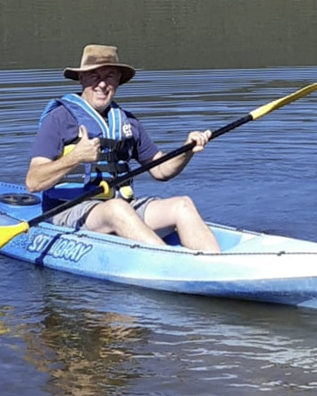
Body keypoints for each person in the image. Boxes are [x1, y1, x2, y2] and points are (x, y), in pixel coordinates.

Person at [24, 44, 221, 253]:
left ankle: (215, 263)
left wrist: (187, 150)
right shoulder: (59, 119)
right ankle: (169, 261)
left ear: (118, 80)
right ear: (81, 78)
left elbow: (160, 170)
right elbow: (33, 182)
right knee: (116, 209)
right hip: (68, 211)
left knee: (182, 205)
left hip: (121, 208)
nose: (102, 84)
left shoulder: (128, 123)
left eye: (109, 76)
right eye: (94, 76)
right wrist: (76, 157)